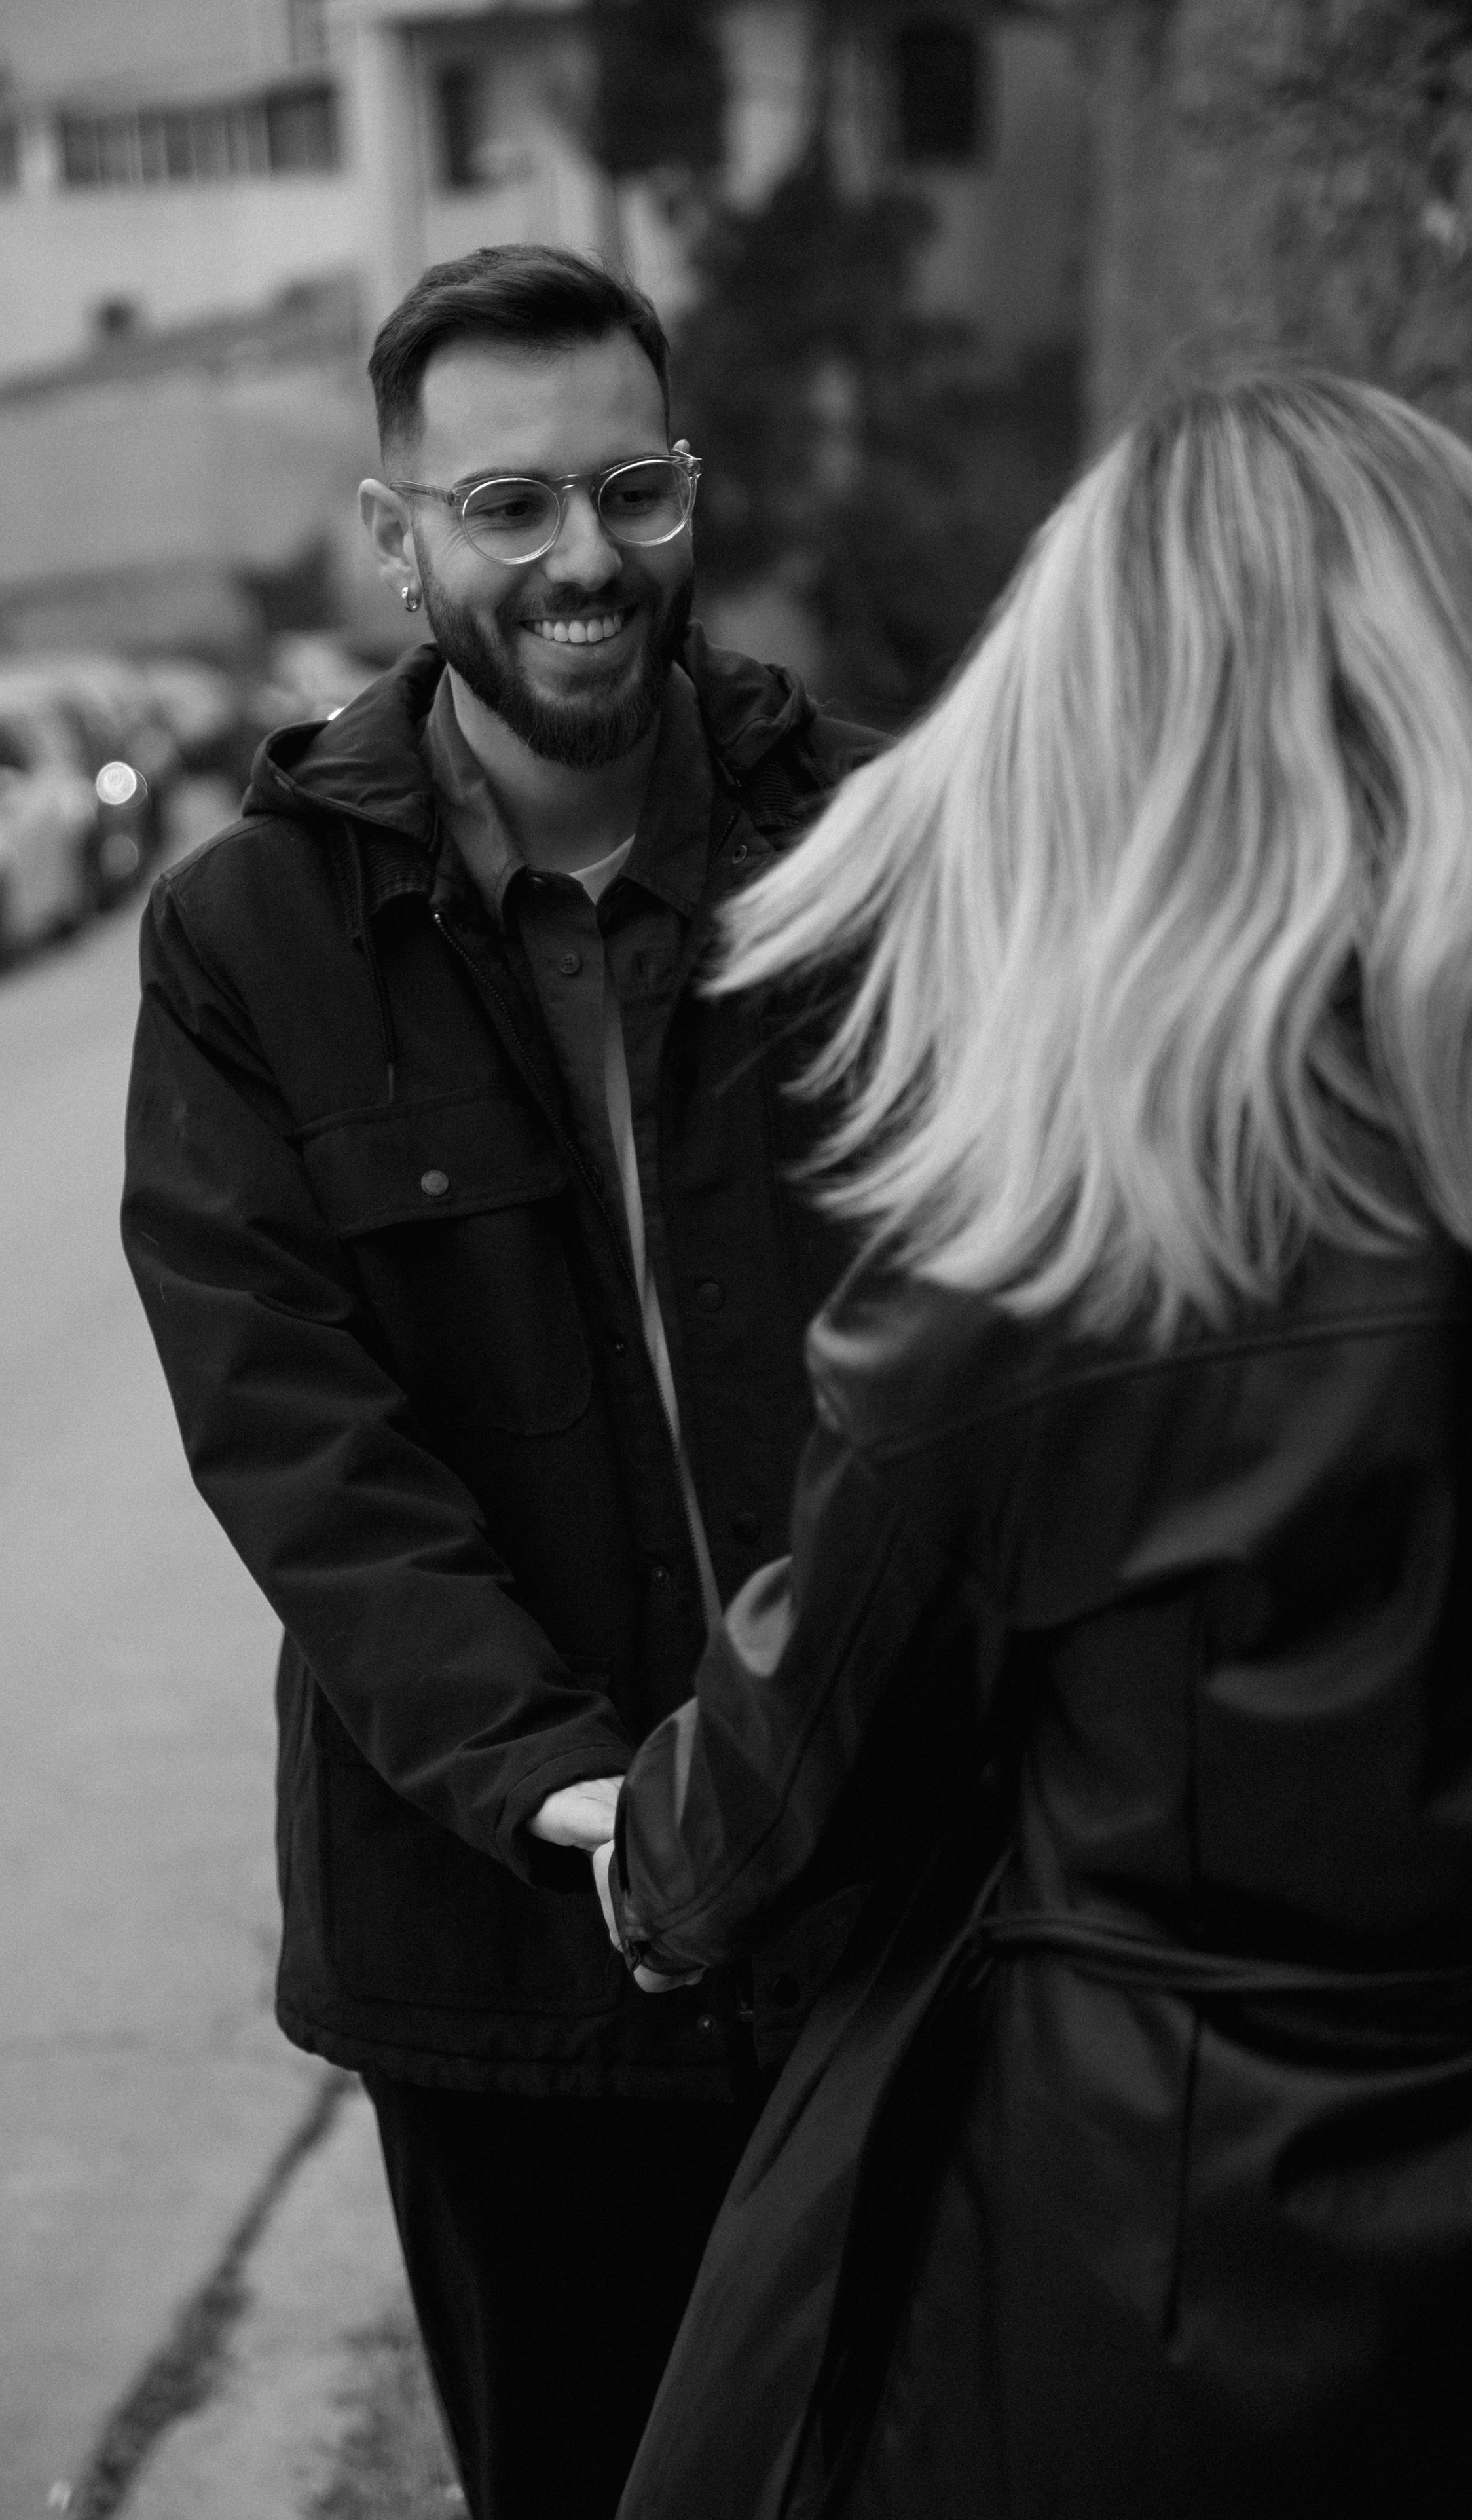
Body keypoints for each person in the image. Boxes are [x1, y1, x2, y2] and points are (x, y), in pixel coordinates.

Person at [599, 369, 1472, 2520]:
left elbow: (803, 1750)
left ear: (1108, 738)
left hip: (1191, 2267)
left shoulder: (1046, 1267)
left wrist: (651, 1866)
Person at [119, 242, 877, 2520]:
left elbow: (990, 1333)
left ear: (688, 488)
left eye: (631, 493)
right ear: (400, 535)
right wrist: (572, 1796)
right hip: (508, 1955)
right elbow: (296, 1437)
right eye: (508, 507)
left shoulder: (878, 846)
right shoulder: (245, 936)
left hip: (886, 1905)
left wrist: (845, 1759)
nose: (583, 565)